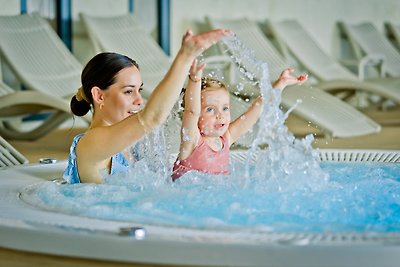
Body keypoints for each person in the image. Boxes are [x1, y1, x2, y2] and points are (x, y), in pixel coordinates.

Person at [63, 28, 232, 184]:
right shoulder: (90, 143)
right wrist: (185, 56)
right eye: (128, 92)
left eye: (139, 90)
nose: (139, 100)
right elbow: (151, 118)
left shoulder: (133, 144)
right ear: (99, 95)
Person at [172, 66, 308, 181]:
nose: (220, 115)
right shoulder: (192, 140)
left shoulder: (226, 137)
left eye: (225, 108)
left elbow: (256, 110)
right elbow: (191, 112)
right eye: (210, 109)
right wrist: (194, 80)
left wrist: (280, 84)